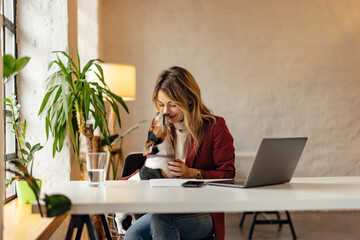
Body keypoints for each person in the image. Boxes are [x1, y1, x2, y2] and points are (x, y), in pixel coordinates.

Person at [124, 66, 235, 240]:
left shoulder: (215, 127)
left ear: (189, 100)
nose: (165, 111)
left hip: (203, 211)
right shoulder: (159, 124)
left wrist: (193, 173)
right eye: (161, 104)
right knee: (133, 233)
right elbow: (151, 165)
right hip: (166, 206)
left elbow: (228, 175)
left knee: (162, 223)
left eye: (172, 104)